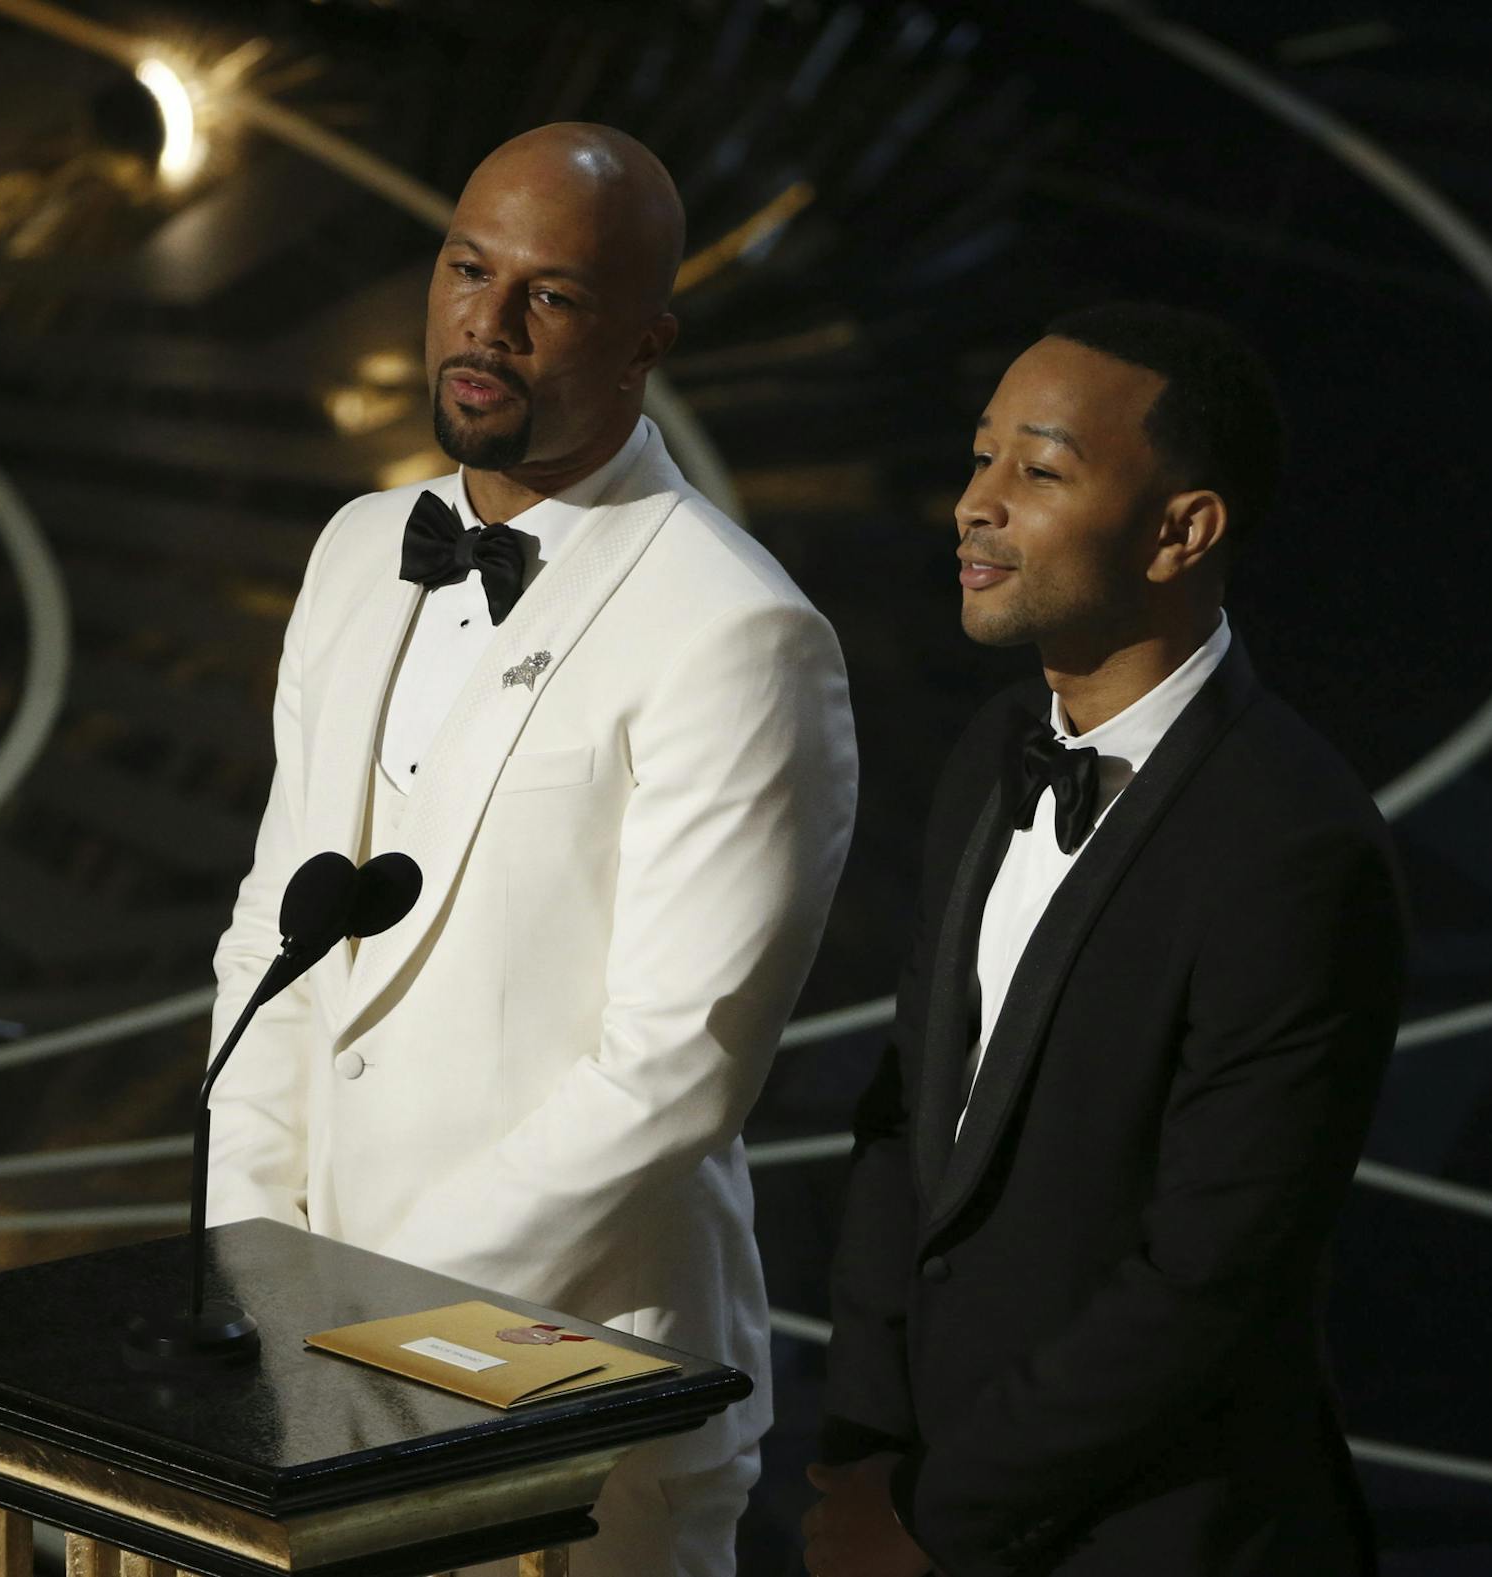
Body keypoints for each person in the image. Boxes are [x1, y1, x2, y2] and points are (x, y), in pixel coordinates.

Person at [205, 123, 857, 1574]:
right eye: (466, 270)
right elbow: (273, 938)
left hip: (574, 1392)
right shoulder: (356, 548)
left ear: (645, 345)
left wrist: (376, 1311)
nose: (486, 325)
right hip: (303, 1372)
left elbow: (674, 1064)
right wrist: (256, 1265)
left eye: (549, 296)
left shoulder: (738, 631)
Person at [805, 303, 1406, 1576]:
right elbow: (906, 1117)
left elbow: (1209, 1278)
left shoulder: (1295, 844)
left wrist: (937, 1515)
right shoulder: (990, 752)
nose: (976, 503)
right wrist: (863, 1443)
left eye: (1039, 470)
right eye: (981, 456)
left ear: (1183, 530)